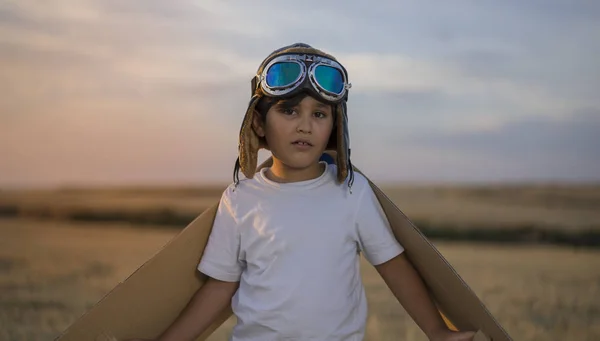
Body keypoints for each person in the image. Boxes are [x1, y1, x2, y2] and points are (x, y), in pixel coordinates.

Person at [128, 43, 475, 341]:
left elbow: (394, 267)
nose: (305, 125)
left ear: (335, 126)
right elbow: (220, 286)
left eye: (319, 113)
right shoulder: (239, 199)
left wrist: (437, 332)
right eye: (289, 110)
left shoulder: (351, 193)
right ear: (259, 124)